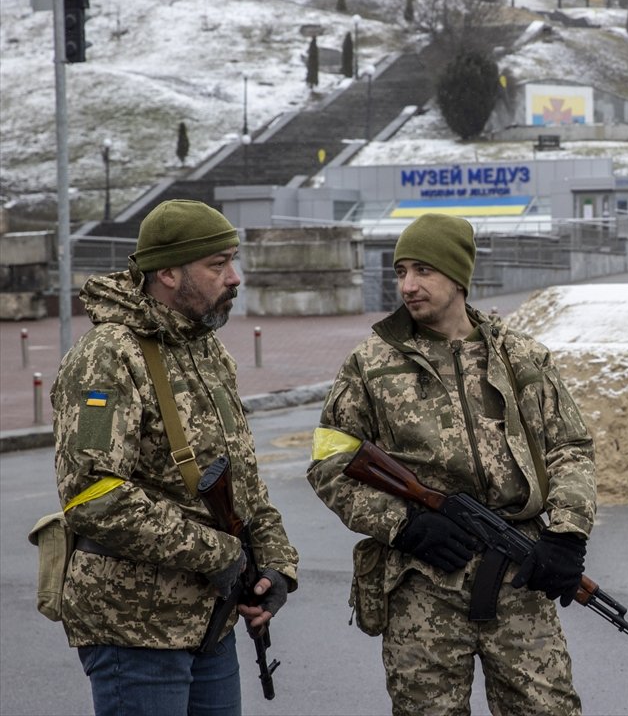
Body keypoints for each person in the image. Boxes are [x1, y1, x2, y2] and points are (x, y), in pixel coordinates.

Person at [307, 213, 596, 716]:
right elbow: (330, 460)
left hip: (519, 579)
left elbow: (569, 447)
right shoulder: (371, 363)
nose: (408, 286)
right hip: (422, 585)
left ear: (459, 277)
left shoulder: (520, 356)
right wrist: (404, 523)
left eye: (423, 270)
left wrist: (568, 534)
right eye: (401, 272)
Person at [51, 199, 299, 716]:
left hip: (210, 621)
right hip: (135, 629)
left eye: (232, 261)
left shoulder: (206, 350)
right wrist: (221, 555)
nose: (234, 278)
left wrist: (275, 564)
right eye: (217, 265)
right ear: (166, 271)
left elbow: (243, 480)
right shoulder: (108, 356)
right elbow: (94, 495)